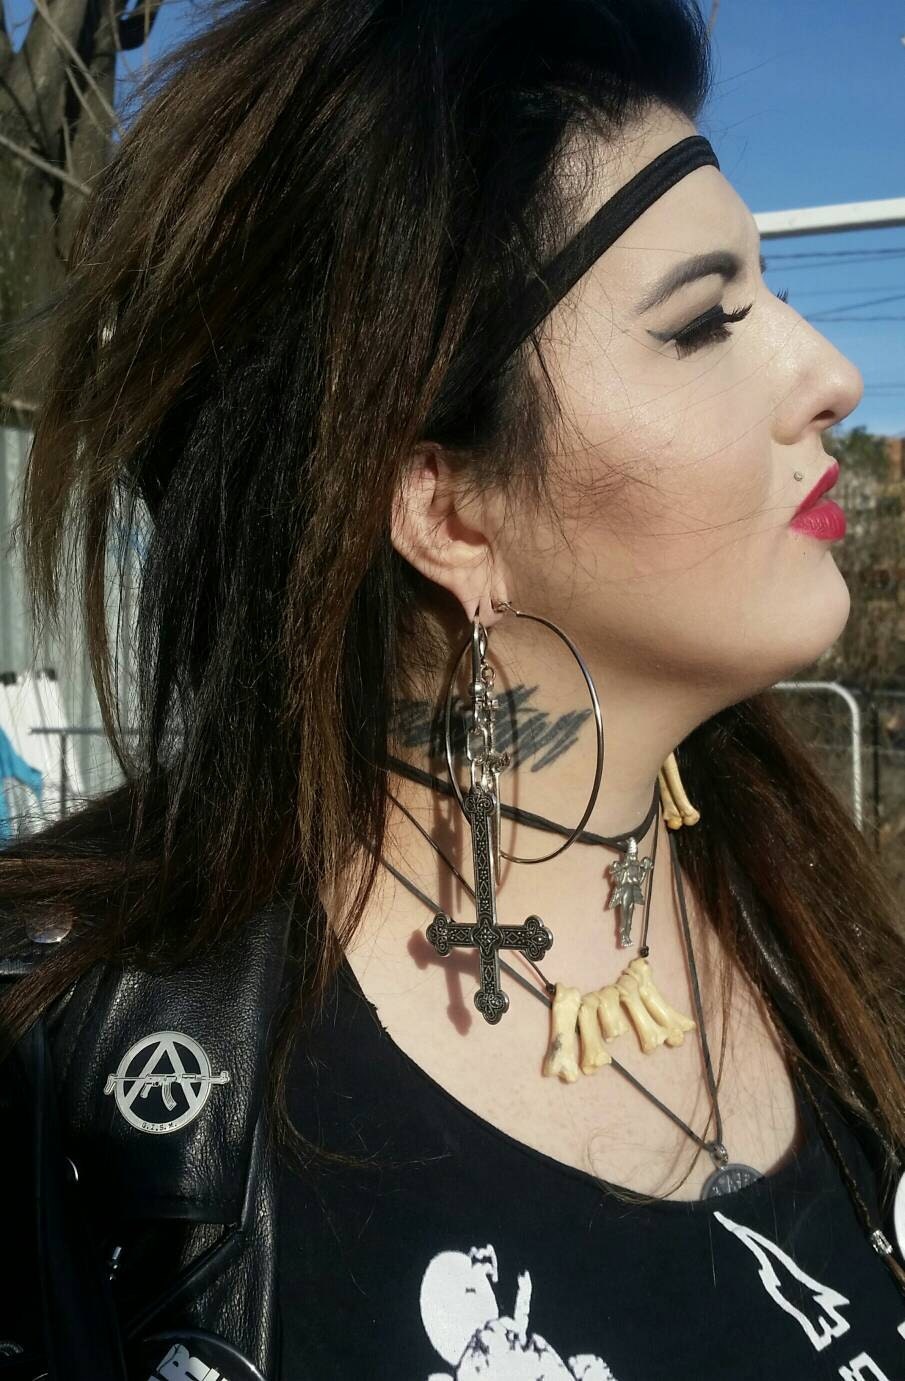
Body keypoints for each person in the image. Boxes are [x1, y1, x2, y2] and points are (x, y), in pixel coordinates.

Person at [1, 0, 904, 1377]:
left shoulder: (822, 928)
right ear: (448, 508)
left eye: (769, 293)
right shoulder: (74, 1063)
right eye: (704, 321)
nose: (830, 374)